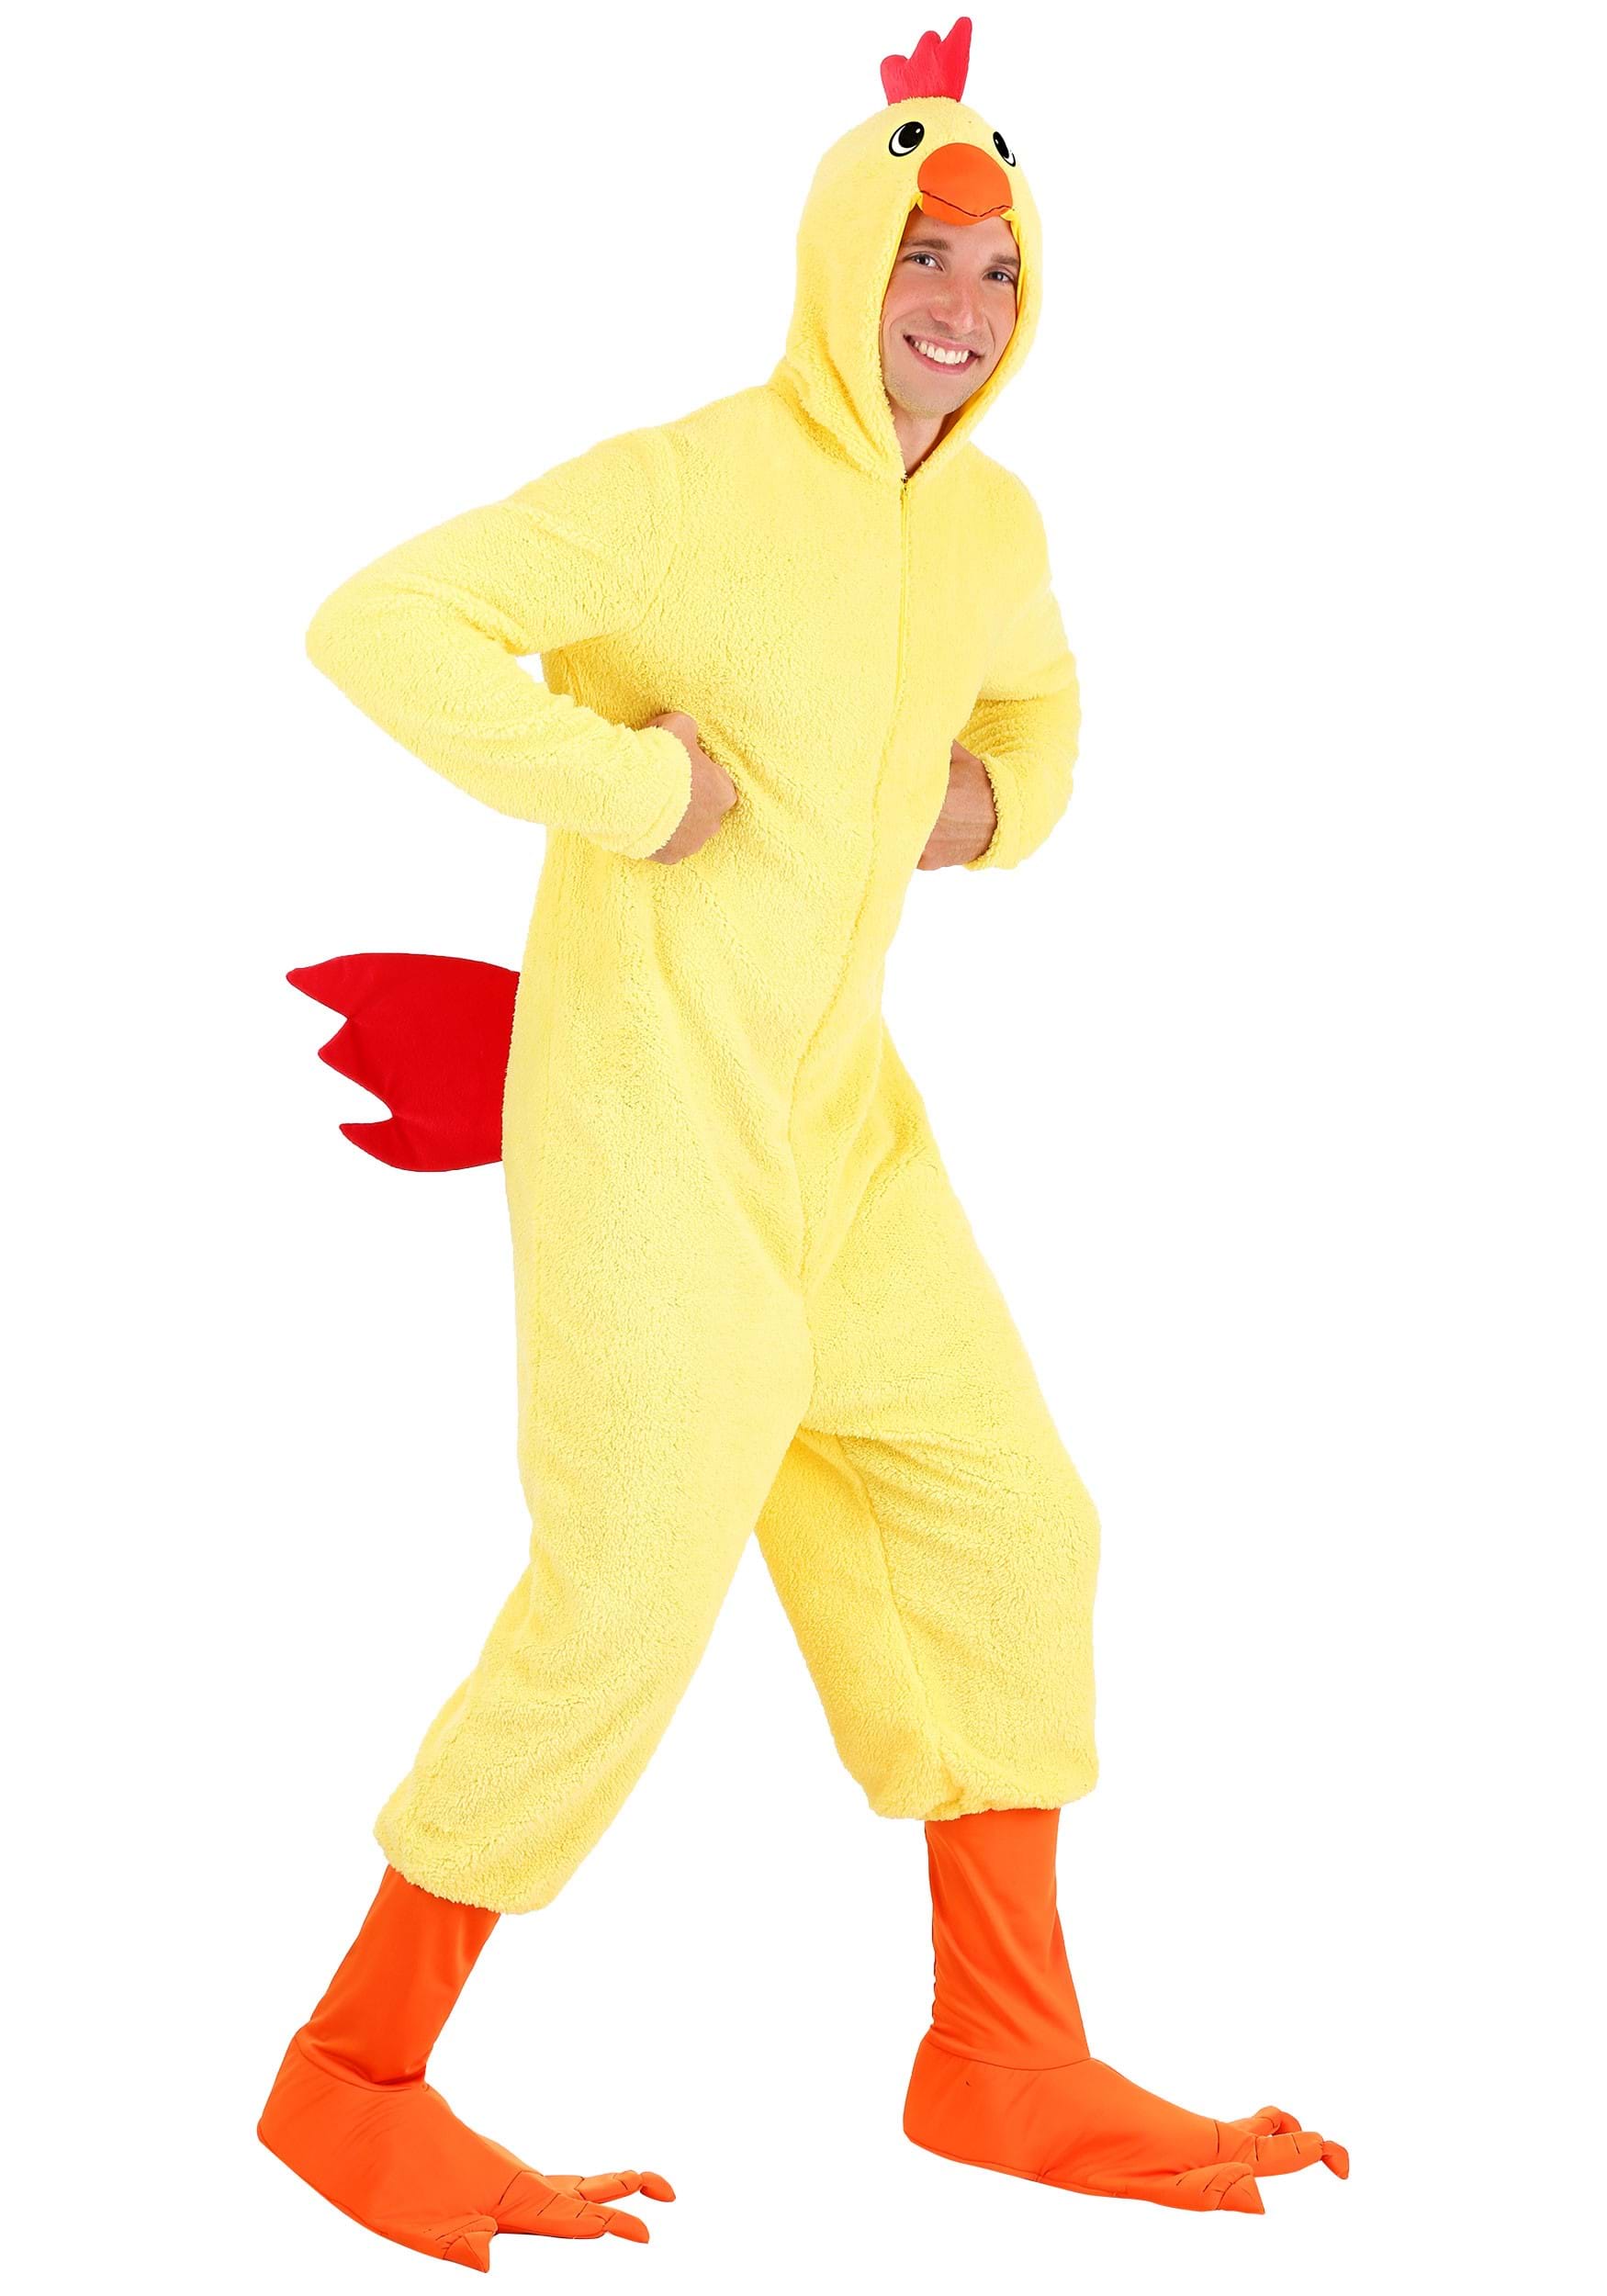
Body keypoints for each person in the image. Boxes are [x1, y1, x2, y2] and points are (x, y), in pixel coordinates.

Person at [258, 17, 1346, 2268]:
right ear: (838, 259)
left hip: (845, 1126)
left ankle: (1001, 2050)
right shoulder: (685, 486)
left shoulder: (994, 523)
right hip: (648, 1130)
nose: (957, 306)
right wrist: (630, 788)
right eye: (921, 258)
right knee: (628, 1588)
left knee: (1007, 1519)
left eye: (997, 273)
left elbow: (1042, 702)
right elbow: (382, 620)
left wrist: (994, 806)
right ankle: (349, 2072)